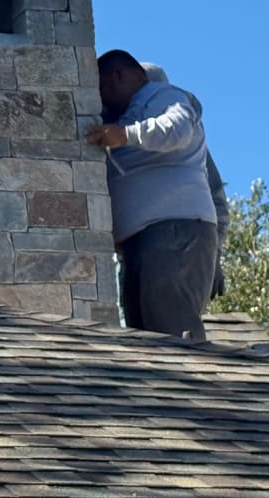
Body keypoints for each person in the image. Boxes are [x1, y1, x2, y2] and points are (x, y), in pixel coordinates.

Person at [86, 50, 218, 341]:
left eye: (103, 89)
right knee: (147, 342)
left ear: (118, 76)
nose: (103, 100)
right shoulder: (130, 111)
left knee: (173, 335)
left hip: (172, 232)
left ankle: (191, 386)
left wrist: (126, 135)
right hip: (146, 240)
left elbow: (178, 128)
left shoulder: (161, 96)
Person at [141, 62, 228, 299]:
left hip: (182, 248)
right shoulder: (126, 133)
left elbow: (216, 200)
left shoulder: (190, 146)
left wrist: (213, 257)